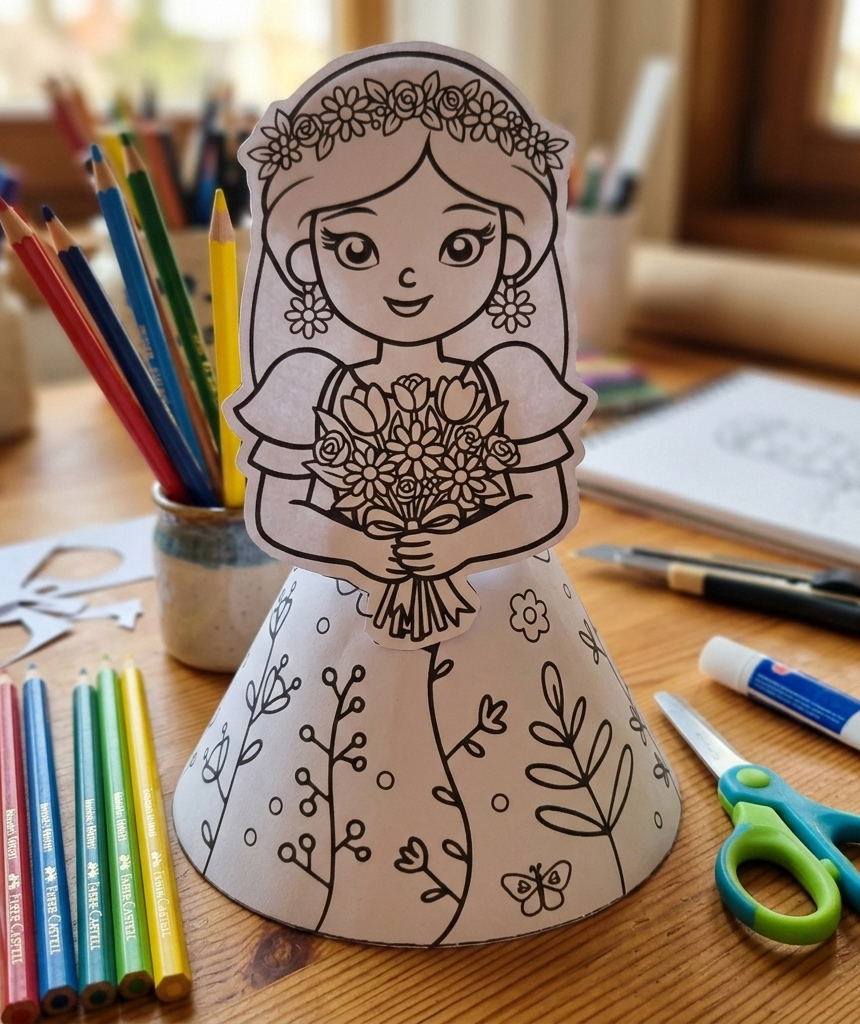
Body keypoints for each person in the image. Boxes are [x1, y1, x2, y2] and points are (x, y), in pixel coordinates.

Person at [231, 44, 591, 648]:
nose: (407, 279)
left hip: (498, 626)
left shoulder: (513, 373)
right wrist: (363, 551)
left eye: (460, 246)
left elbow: (544, 500)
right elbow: (277, 509)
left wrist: (461, 545)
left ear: (511, 252)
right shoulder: (305, 382)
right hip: (338, 633)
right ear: (306, 258)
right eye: (356, 249)